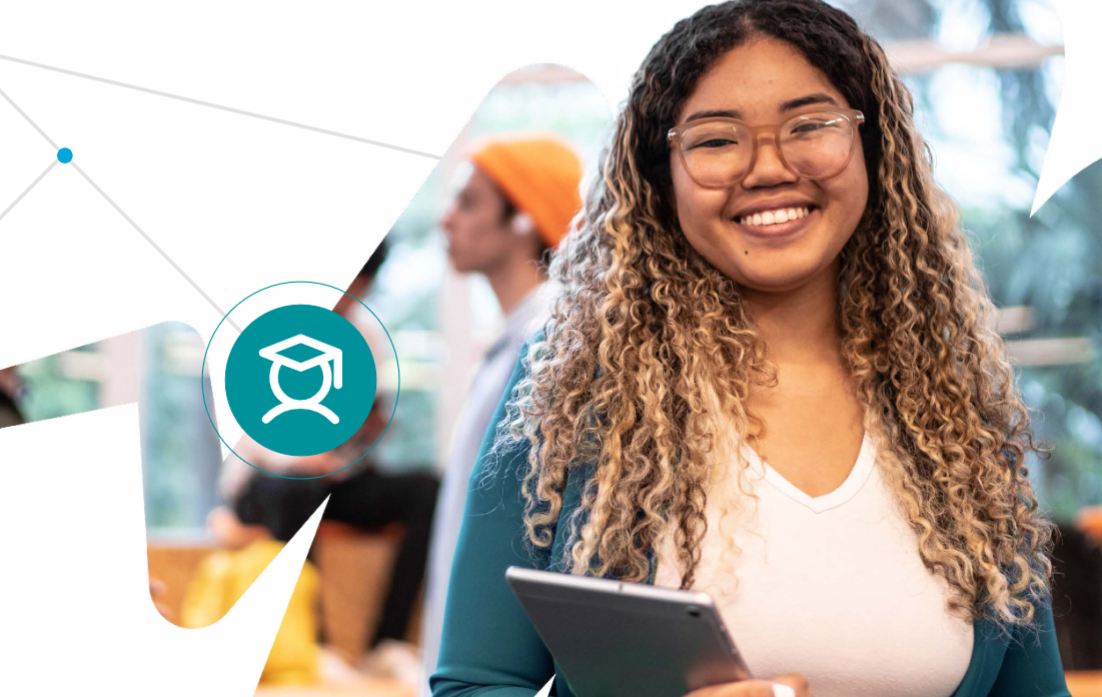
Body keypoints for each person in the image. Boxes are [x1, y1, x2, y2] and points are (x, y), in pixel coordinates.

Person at [431, 2, 1067, 697]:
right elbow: (475, 684)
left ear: (870, 145)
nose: (767, 167)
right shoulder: (576, 389)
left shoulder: (954, 406)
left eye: (810, 125)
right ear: (660, 175)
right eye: (715, 140)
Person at [214, 237, 440, 655]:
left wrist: (365, 435)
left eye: (361, 290)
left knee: (428, 487)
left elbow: (358, 442)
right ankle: (315, 645)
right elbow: (249, 440)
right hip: (265, 483)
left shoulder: (366, 340)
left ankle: (387, 644)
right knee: (299, 484)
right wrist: (306, 456)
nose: (350, 300)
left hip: (334, 480)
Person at [420, 133, 583, 690]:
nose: (446, 220)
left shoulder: (553, 346)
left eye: (469, 202)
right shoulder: (512, 341)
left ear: (522, 220)